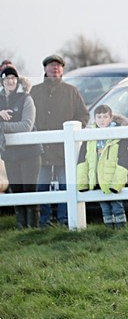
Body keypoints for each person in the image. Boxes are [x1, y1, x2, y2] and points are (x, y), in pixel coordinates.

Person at [30, 54, 90, 226]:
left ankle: (65, 219)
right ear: (45, 69)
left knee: (67, 185)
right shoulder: (35, 92)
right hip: (41, 149)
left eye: (58, 65)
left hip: (65, 149)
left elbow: (83, 115)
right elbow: (29, 116)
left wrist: (75, 130)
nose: (55, 68)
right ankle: (44, 221)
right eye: (51, 65)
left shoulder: (71, 91)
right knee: (42, 186)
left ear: (62, 69)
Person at [0, 64, 43, 228]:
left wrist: (3, 126)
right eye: (6, 78)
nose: (10, 81)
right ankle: (21, 227)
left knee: (29, 188)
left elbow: (26, 125)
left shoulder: (26, 99)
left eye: (13, 78)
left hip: (30, 152)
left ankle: (33, 226)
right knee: (16, 190)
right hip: (9, 153)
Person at [76, 105, 128, 228]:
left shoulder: (119, 136)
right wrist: (82, 183)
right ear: (94, 119)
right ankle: (108, 231)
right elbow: (82, 161)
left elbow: (123, 161)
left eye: (105, 116)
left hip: (112, 179)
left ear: (111, 118)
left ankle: (121, 230)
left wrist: (117, 183)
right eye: (99, 117)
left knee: (117, 207)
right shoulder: (89, 137)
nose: (102, 120)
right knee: (105, 208)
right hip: (97, 179)